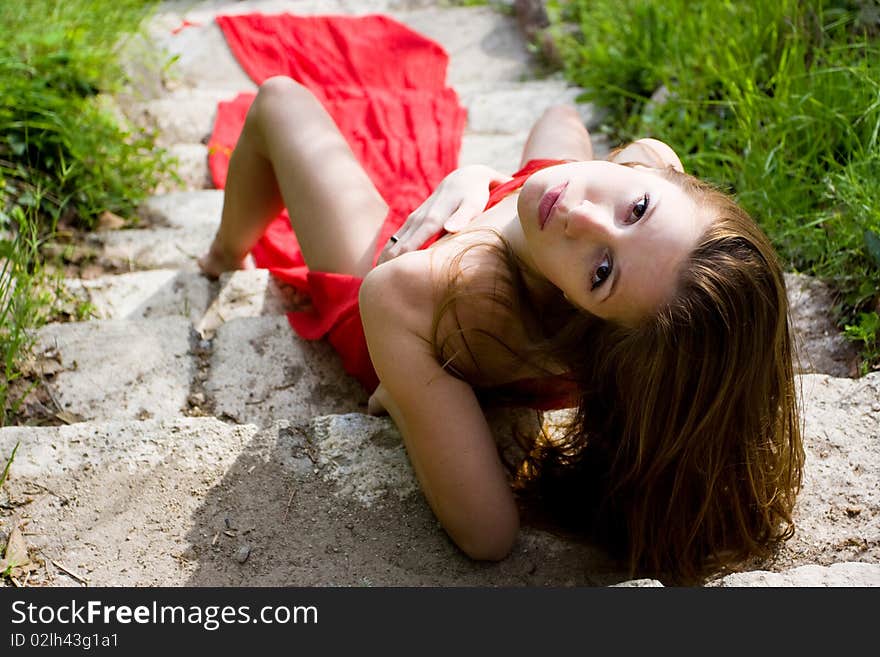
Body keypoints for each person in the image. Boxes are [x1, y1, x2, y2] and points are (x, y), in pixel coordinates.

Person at [198, 75, 804, 583]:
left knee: (278, 98)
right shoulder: (640, 173)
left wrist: (412, 397)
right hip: (509, 235)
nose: (580, 212)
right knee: (560, 117)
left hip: (392, 276)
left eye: (602, 272)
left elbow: (487, 535)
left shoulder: (418, 295)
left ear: (589, 328)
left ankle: (223, 255)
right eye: (639, 208)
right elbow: (586, 193)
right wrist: (481, 177)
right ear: (669, 178)